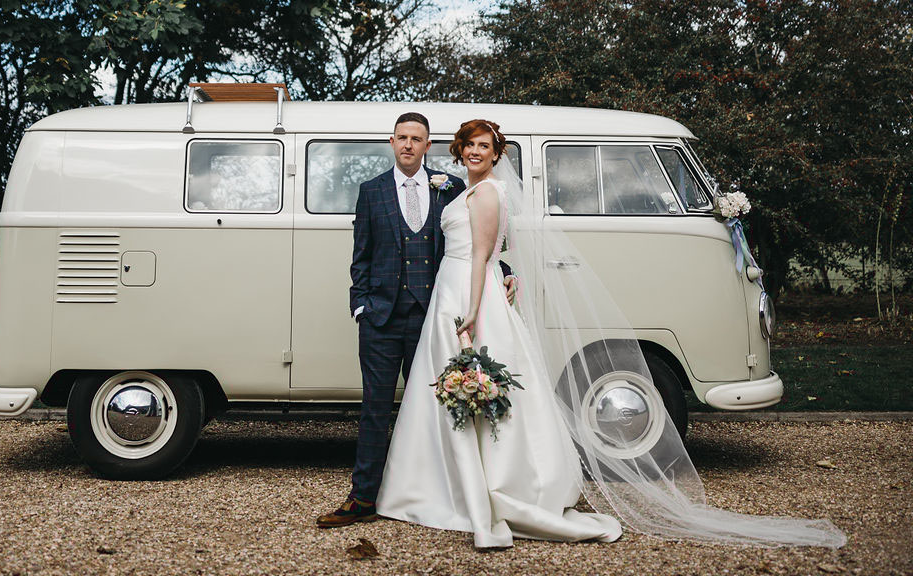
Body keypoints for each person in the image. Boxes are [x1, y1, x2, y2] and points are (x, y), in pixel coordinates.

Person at [374, 119, 847, 550]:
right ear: (458, 151)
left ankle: (481, 486)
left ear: (498, 154)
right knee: (453, 389)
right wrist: (498, 277)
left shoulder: (489, 193)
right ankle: (446, 482)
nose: (476, 152)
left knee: (480, 384)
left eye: (485, 146)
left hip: (466, 297)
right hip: (451, 291)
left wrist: (472, 311)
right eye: (470, 145)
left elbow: (481, 255)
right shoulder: (460, 190)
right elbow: (494, 249)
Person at [316, 113, 516, 528]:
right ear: (392, 142)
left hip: (434, 318)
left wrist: (506, 271)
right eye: (402, 138)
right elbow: (362, 256)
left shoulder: (452, 187)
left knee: (433, 408)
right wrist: (361, 307)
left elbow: (479, 242)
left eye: (418, 139)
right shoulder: (370, 192)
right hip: (381, 319)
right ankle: (363, 497)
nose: (409, 144)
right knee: (375, 408)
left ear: (429, 146)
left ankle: (435, 493)